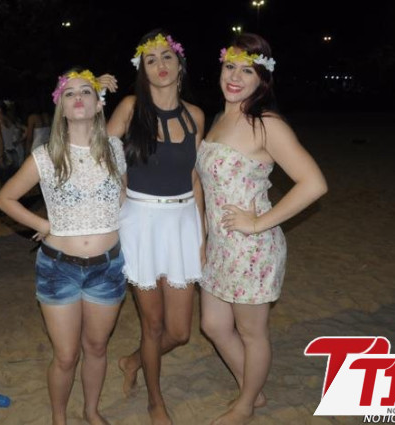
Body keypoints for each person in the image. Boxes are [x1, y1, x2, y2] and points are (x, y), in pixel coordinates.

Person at [196, 33, 328, 425]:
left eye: (247, 71)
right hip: (220, 246)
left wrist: (257, 222)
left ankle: (245, 404)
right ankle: (251, 387)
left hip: (252, 248)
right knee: (213, 325)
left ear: (262, 79)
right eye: (230, 67)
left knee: (251, 332)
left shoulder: (266, 124)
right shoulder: (219, 119)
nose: (235, 77)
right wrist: (203, 238)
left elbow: (314, 183)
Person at [0, 69, 126, 425]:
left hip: (107, 268)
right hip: (58, 269)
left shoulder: (114, 148)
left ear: (98, 105)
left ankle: (91, 410)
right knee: (66, 356)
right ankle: (59, 418)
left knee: (96, 347)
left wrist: (101, 84)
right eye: (69, 94)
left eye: (86, 92)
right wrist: (42, 225)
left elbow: (123, 197)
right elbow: (5, 198)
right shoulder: (46, 155)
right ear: (61, 108)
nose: (78, 97)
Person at [106, 29, 206, 425]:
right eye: (151, 59)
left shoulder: (196, 115)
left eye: (167, 56)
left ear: (180, 64)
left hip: (182, 224)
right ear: (142, 69)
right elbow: (100, 157)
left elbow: (196, 178)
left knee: (179, 331)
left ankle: (133, 360)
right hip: (141, 225)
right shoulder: (131, 108)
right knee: (153, 324)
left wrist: (203, 235)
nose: (160, 65)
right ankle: (154, 401)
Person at [0, 99, 25, 183]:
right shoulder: (11, 120)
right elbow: (25, 130)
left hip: (5, 154)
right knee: (14, 181)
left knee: (5, 181)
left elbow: (0, 141)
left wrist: (0, 155)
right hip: (13, 152)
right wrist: (18, 140)